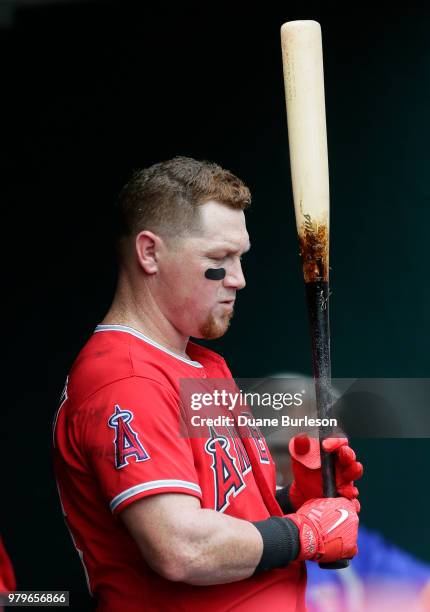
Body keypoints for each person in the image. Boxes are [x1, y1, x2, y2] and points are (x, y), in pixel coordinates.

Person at [53, 157, 362, 611]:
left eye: (240, 257)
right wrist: (304, 533)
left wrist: (295, 500)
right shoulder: (127, 379)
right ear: (149, 252)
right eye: (218, 260)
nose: (238, 278)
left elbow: (223, 515)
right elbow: (182, 548)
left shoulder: (198, 362)